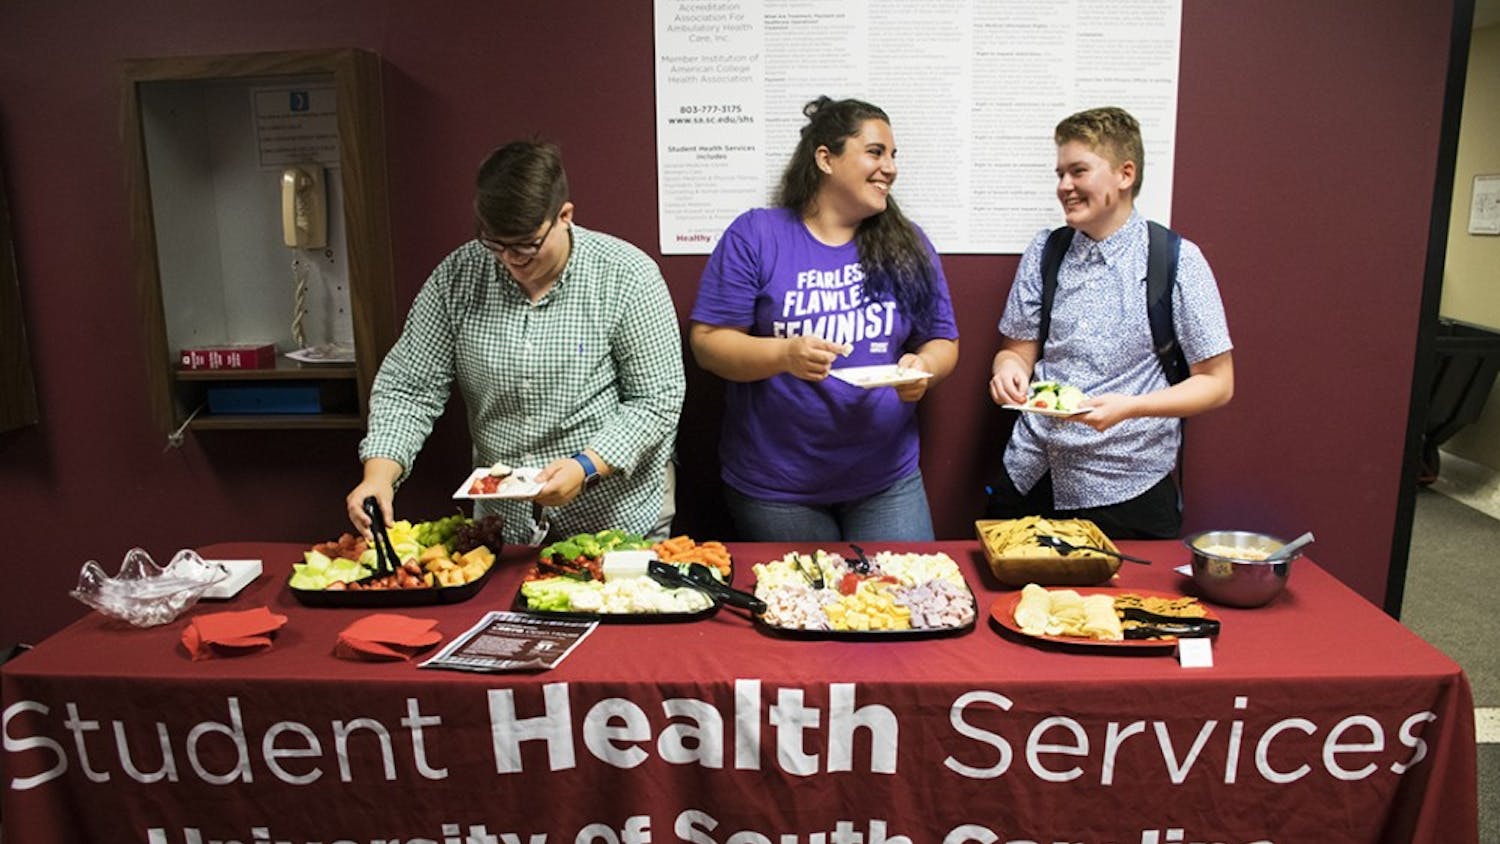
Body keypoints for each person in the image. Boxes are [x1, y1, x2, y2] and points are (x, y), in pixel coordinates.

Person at [347, 140, 685, 545]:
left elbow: (657, 400)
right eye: (496, 245)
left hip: (615, 516)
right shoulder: (457, 277)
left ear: (564, 216)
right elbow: (408, 389)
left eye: (526, 245)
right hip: (506, 525)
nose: (510, 259)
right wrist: (379, 476)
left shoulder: (627, 276)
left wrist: (586, 466)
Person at [690, 96, 959, 542]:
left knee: (908, 607)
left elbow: (943, 340)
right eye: (875, 152)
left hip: (885, 480)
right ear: (825, 158)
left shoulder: (908, 242)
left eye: (893, 156)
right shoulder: (757, 234)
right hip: (778, 487)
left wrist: (925, 369)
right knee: (806, 610)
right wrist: (784, 354)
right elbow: (708, 344)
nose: (889, 167)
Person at [987, 106, 1233, 539]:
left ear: (1125, 174)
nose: (1064, 186)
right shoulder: (1046, 250)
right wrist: (1008, 370)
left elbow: (1217, 383)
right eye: (1060, 173)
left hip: (1127, 488)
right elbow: (1016, 348)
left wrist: (1130, 408)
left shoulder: (1176, 260)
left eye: (1078, 171)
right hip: (1030, 473)